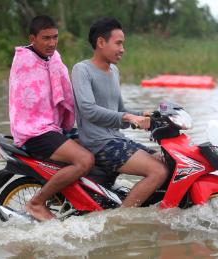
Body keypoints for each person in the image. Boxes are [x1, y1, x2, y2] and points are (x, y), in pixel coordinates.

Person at [71, 18, 168, 207]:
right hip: (99, 144)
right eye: (118, 43)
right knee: (158, 171)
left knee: (166, 162)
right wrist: (127, 117)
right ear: (101, 42)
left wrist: (145, 114)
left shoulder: (114, 71)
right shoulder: (82, 70)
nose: (122, 49)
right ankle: (122, 220)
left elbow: (120, 111)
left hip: (117, 139)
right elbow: (88, 110)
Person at [9, 15, 94, 221]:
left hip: (52, 127)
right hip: (33, 131)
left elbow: (65, 91)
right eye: (46, 38)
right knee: (84, 160)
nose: (52, 43)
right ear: (33, 38)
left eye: (55, 37)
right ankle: (36, 203)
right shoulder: (25, 61)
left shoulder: (53, 58)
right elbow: (27, 104)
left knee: (96, 143)